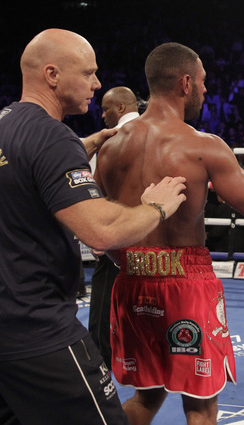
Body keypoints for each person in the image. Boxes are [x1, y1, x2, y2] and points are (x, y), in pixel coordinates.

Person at [0, 29, 187, 425]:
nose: (97, 84)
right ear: (52, 75)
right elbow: (101, 231)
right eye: (88, 73)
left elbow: (27, 170)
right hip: (35, 330)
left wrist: (85, 144)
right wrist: (156, 207)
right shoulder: (51, 136)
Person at [94, 42, 244, 425]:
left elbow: (101, 224)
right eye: (202, 82)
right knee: (200, 405)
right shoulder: (202, 145)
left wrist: (136, 261)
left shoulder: (110, 148)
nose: (206, 90)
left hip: (130, 280)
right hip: (187, 283)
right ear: (185, 83)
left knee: (145, 396)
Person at [89, 86, 141, 367]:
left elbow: (95, 192)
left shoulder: (111, 140)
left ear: (120, 108)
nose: (103, 115)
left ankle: (101, 366)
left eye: (106, 109)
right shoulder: (159, 132)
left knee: (102, 315)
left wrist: (96, 230)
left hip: (116, 235)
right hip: (151, 233)